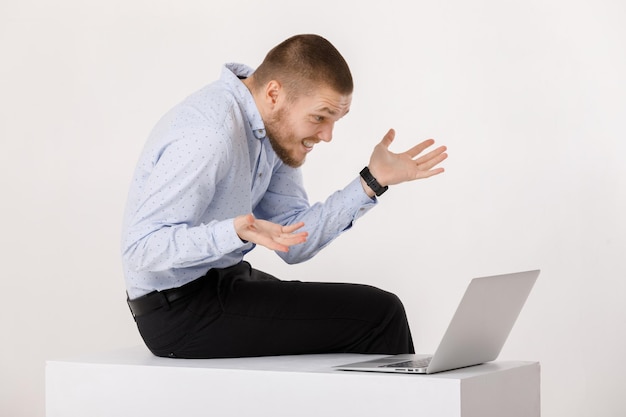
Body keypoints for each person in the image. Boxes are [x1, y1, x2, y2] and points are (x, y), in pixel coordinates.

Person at [122, 34, 448, 359]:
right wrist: (231, 232)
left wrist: (371, 182)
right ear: (275, 93)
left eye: (335, 121)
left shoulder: (272, 131)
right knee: (381, 316)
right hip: (177, 311)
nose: (327, 136)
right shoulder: (211, 134)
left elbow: (295, 241)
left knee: (355, 317)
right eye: (319, 117)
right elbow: (139, 249)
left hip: (224, 281)